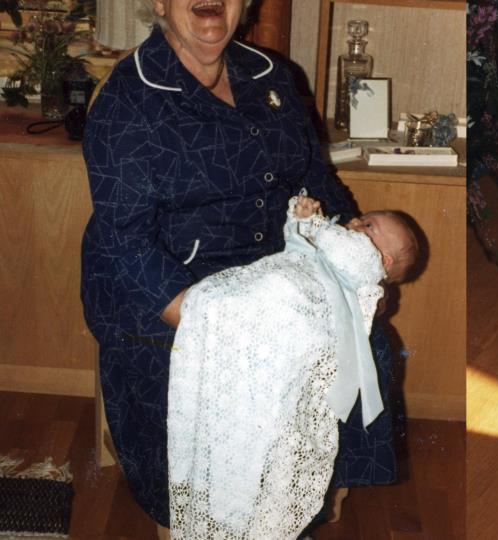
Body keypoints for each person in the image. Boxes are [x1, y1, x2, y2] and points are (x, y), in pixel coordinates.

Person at [80, 0, 399, 531]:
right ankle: (200, 517)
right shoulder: (128, 98)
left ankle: (307, 496)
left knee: (362, 337)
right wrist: (209, 323)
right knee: (193, 374)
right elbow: (125, 241)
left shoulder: (271, 74)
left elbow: (316, 180)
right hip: (174, 280)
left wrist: (357, 264)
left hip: (276, 265)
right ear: (158, 3)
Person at [167, 194, 420, 538]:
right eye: (361, 219)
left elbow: (347, 252)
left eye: (367, 225)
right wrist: (299, 222)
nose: (354, 222)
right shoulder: (338, 246)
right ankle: (221, 311)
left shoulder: (362, 260)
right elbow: (296, 244)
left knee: (278, 296)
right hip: (279, 276)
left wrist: (316, 224)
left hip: (298, 297)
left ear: (383, 260)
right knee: (238, 290)